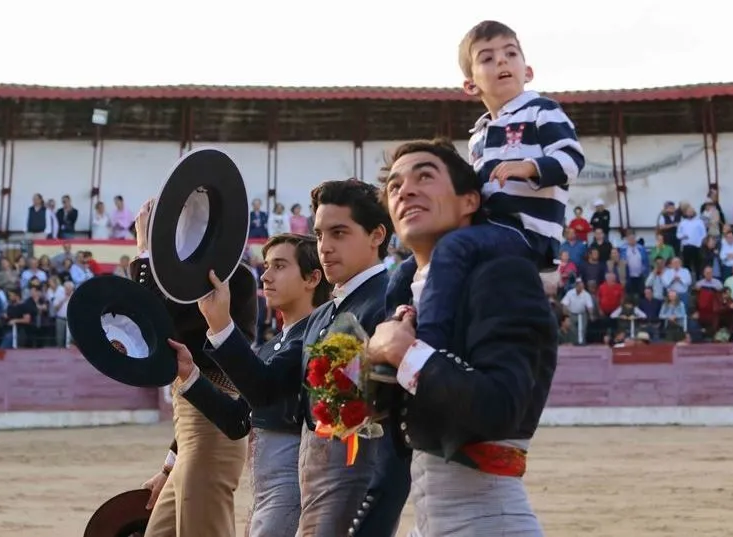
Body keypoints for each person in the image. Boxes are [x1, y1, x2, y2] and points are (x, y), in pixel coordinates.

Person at [362, 138, 558, 536]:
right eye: (395, 186)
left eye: (425, 177)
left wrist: (405, 353)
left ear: (469, 201)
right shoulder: (403, 297)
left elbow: (501, 407)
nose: (406, 190)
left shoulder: (501, 274)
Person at [209, 179, 404, 537]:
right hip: (314, 492)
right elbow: (266, 391)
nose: (325, 247)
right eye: (320, 234)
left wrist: (375, 514)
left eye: (339, 233)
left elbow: (393, 428)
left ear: (377, 235)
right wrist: (220, 326)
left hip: (360, 492)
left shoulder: (389, 301)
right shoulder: (319, 317)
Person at [399, 20, 584, 351]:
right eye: (487, 58)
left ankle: (429, 346)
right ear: (471, 86)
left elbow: (571, 160)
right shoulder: (478, 137)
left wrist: (528, 167)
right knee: (407, 267)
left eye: (510, 53)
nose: (501, 61)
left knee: (452, 249)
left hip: (525, 232)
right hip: (488, 229)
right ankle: (396, 327)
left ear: (527, 71)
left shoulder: (543, 111)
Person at [192, 233, 332, 537]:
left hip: (291, 482)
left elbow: (262, 388)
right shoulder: (275, 345)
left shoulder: (316, 337)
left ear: (312, 278)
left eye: (279, 266)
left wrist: (221, 324)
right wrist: (189, 376)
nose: (266, 276)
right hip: (264, 489)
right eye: (266, 266)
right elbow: (237, 420)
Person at [131, 198, 256, 537]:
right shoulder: (201, 280)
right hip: (194, 433)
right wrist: (170, 465)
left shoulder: (232, 280)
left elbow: (147, 327)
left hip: (210, 431)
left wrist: (144, 254)